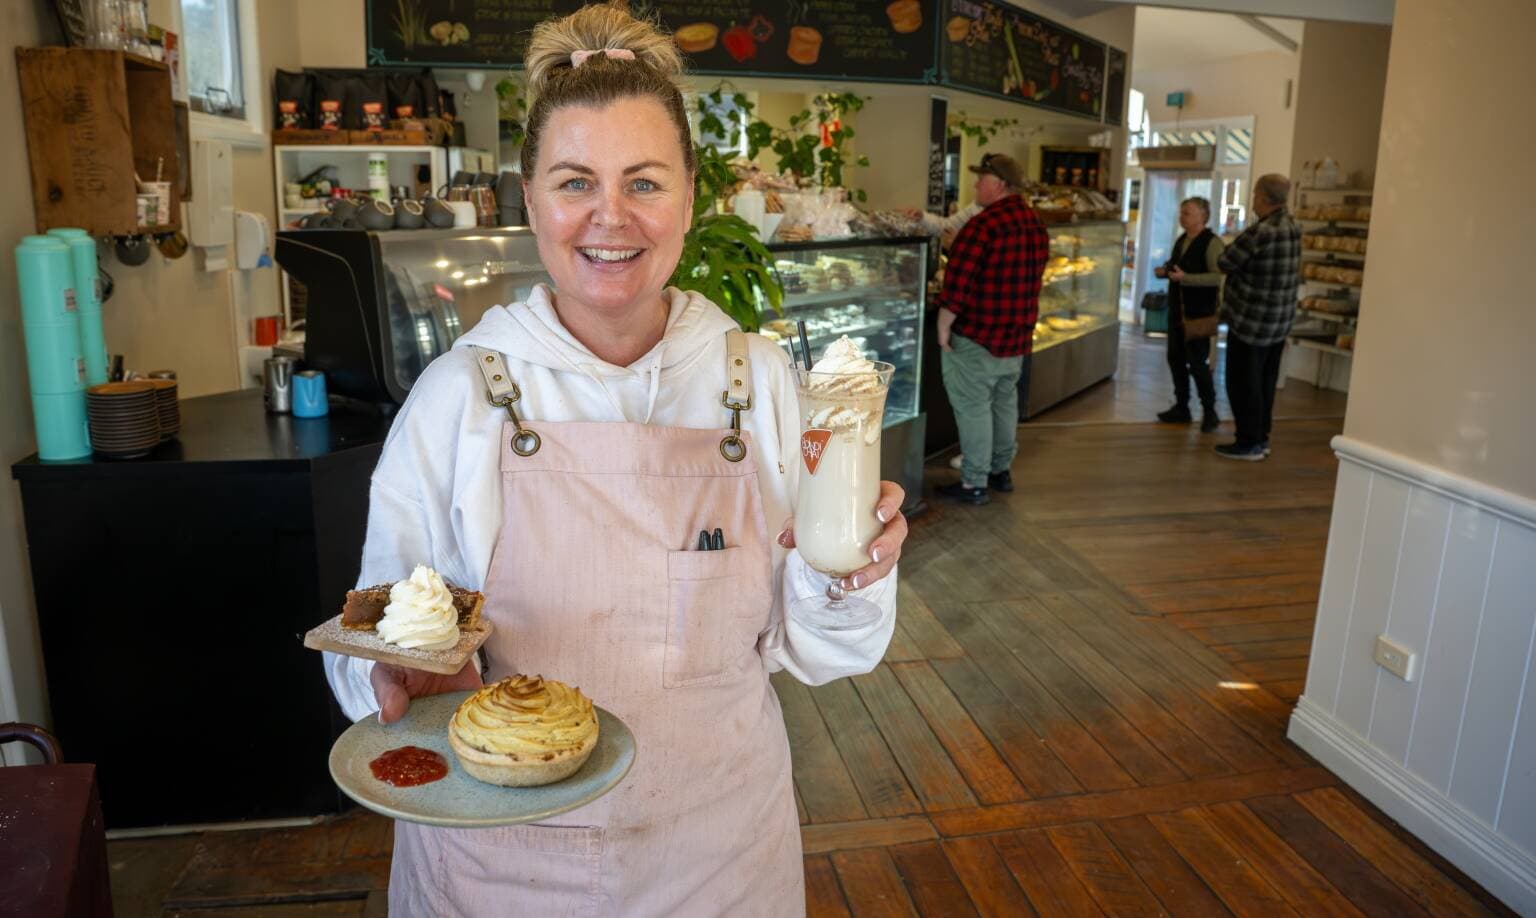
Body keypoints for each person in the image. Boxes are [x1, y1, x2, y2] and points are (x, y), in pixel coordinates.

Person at [323, 6, 908, 914]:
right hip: (500, 865)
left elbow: (827, 654)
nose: (610, 218)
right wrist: (391, 672)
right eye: (574, 182)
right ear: (530, 200)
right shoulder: (459, 396)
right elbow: (373, 637)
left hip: (717, 852)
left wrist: (851, 576)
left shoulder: (762, 384)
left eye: (644, 182)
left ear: (690, 195)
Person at [934, 153, 1049, 505]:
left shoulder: (983, 226)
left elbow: (958, 284)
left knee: (974, 408)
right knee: (1003, 404)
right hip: (1016, 337)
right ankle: (1001, 471)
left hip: (978, 336)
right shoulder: (1035, 224)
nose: (975, 187)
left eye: (980, 180)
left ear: (998, 184)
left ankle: (973, 483)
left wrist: (943, 326)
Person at [1215, 173, 1302, 460]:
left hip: (1251, 319)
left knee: (1242, 382)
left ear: (1264, 197)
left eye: (1254, 194)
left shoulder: (1260, 232)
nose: (1252, 199)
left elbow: (1225, 261)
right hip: (1279, 320)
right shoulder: (1293, 226)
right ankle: (1261, 437)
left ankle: (1248, 441)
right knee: (1265, 380)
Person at [1153, 196, 1225, 432]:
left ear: (1203, 216)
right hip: (1177, 311)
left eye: (1188, 213)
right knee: (1175, 359)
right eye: (1182, 212)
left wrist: (1187, 279)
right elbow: (1177, 266)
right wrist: (1165, 271)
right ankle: (1182, 407)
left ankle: (1209, 411)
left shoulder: (1212, 242)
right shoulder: (1182, 239)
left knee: (1197, 363)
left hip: (1198, 315)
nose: (1182, 216)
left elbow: (1218, 276)